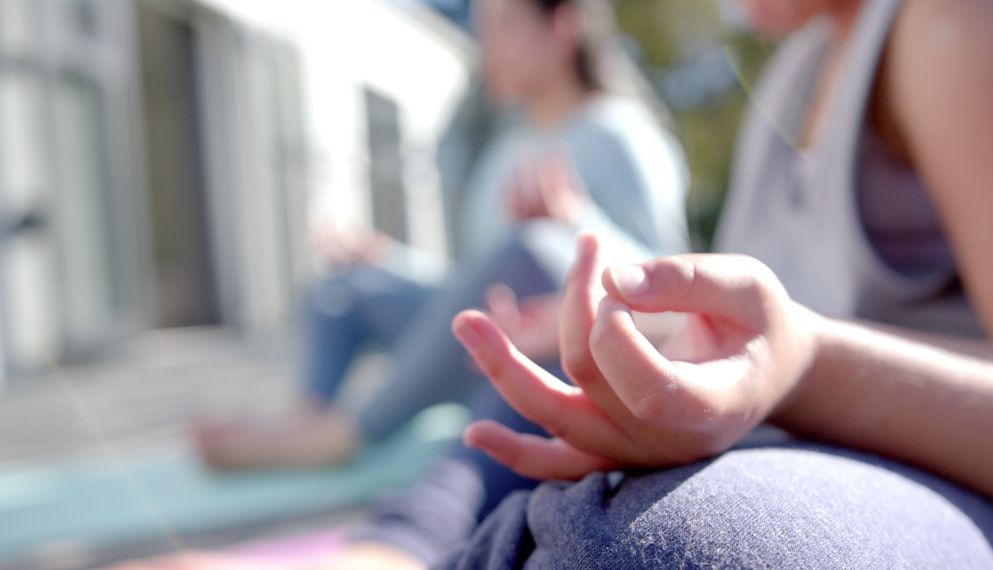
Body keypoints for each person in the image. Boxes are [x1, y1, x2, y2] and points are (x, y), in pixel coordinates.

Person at [430, 0, 993, 564]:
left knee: (659, 541)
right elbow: (767, 322)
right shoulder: (793, 78)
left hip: (989, 498)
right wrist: (628, 323)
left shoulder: (966, 27)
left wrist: (809, 370)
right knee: (538, 393)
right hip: (805, 454)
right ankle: (396, 541)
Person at [191, 0, 689, 471]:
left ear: (563, 25)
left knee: (530, 248)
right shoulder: (504, 150)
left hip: (556, 348)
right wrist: (390, 259)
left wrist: (574, 218)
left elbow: (666, 289)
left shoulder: (622, 135)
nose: (487, 49)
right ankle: (307, 415)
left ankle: (345, 434)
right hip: (487, 331)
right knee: (345, 287)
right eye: (482, 32)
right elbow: (472, 280)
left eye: (504, 27)